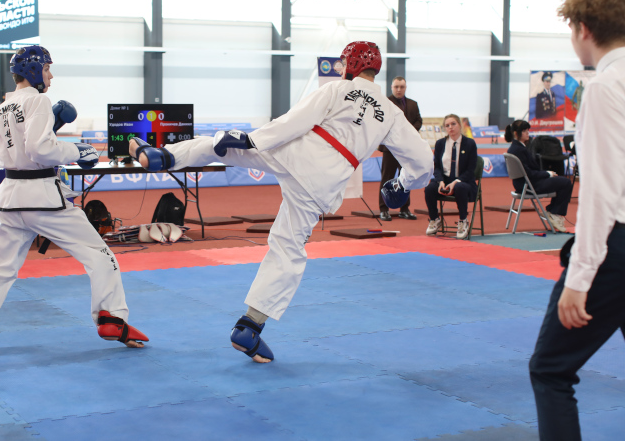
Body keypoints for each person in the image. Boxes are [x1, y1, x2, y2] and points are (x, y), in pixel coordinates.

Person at [129, 41, 433, 363]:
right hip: (325, 180)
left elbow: (297, 119)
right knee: (288, 248)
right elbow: (423, 162)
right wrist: (403, 183)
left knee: (219, 146)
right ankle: (250, 326)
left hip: (296, 152)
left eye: (344, 64)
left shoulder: (337, 90)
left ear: (352, 64)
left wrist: (252, 139)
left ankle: (161, 156)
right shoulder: (391, 113)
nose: (342, 69)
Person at [0, 45, 148, 354]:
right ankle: (112, 317)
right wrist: (78, 150)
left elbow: (19, 148)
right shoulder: (38, 100)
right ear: (34, 70)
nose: (51, 76)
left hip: (10, 198)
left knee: (0, 267)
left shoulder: (0, 109)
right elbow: (39, 149)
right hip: (41, 197)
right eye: (47, 69)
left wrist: (52, 128)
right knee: (98, 254)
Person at [529, 0, 625, 441]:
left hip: (616, 246)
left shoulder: (606, 87)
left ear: (583, 29)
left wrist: (578, 279)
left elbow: (602, 193)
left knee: (550, 369)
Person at [504, 119, 571, 233]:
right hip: (529, 185)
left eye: (527, 130)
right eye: (524, 131)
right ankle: (554, 213)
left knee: (559, 181)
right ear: (516, 133)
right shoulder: (519, 150)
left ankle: (553, 212)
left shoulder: (515, 148)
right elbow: (529, 173)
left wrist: (547, 174)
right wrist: (547, 173)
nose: (527, 133)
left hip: (523, 184)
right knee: (566, 183)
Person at [423, 114, 478, 239]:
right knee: (429, 188)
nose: (450, 127)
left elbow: (471, 170)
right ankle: (434, 219)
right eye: (447, 125)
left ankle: (463, 221)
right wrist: (440, 181)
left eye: (453, 124)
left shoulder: (470, 144)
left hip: (465, 181)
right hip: (445, 180)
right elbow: (437, 167)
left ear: (459, 125)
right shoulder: (440, 144)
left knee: (460, 187)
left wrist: (457, 181)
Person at [378, 76, 422, 221]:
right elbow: (381, 122)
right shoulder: (384, 103)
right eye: (396, 87)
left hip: (407, 148)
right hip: (390, 148)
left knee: (406, 179)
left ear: (405, 88)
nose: (399, 89)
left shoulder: (413, 104)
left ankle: (404, 209)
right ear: (392, 87)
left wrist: (407, 132)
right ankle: (384, 209)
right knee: (387, 178)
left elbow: (418, 121)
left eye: (401, 87)